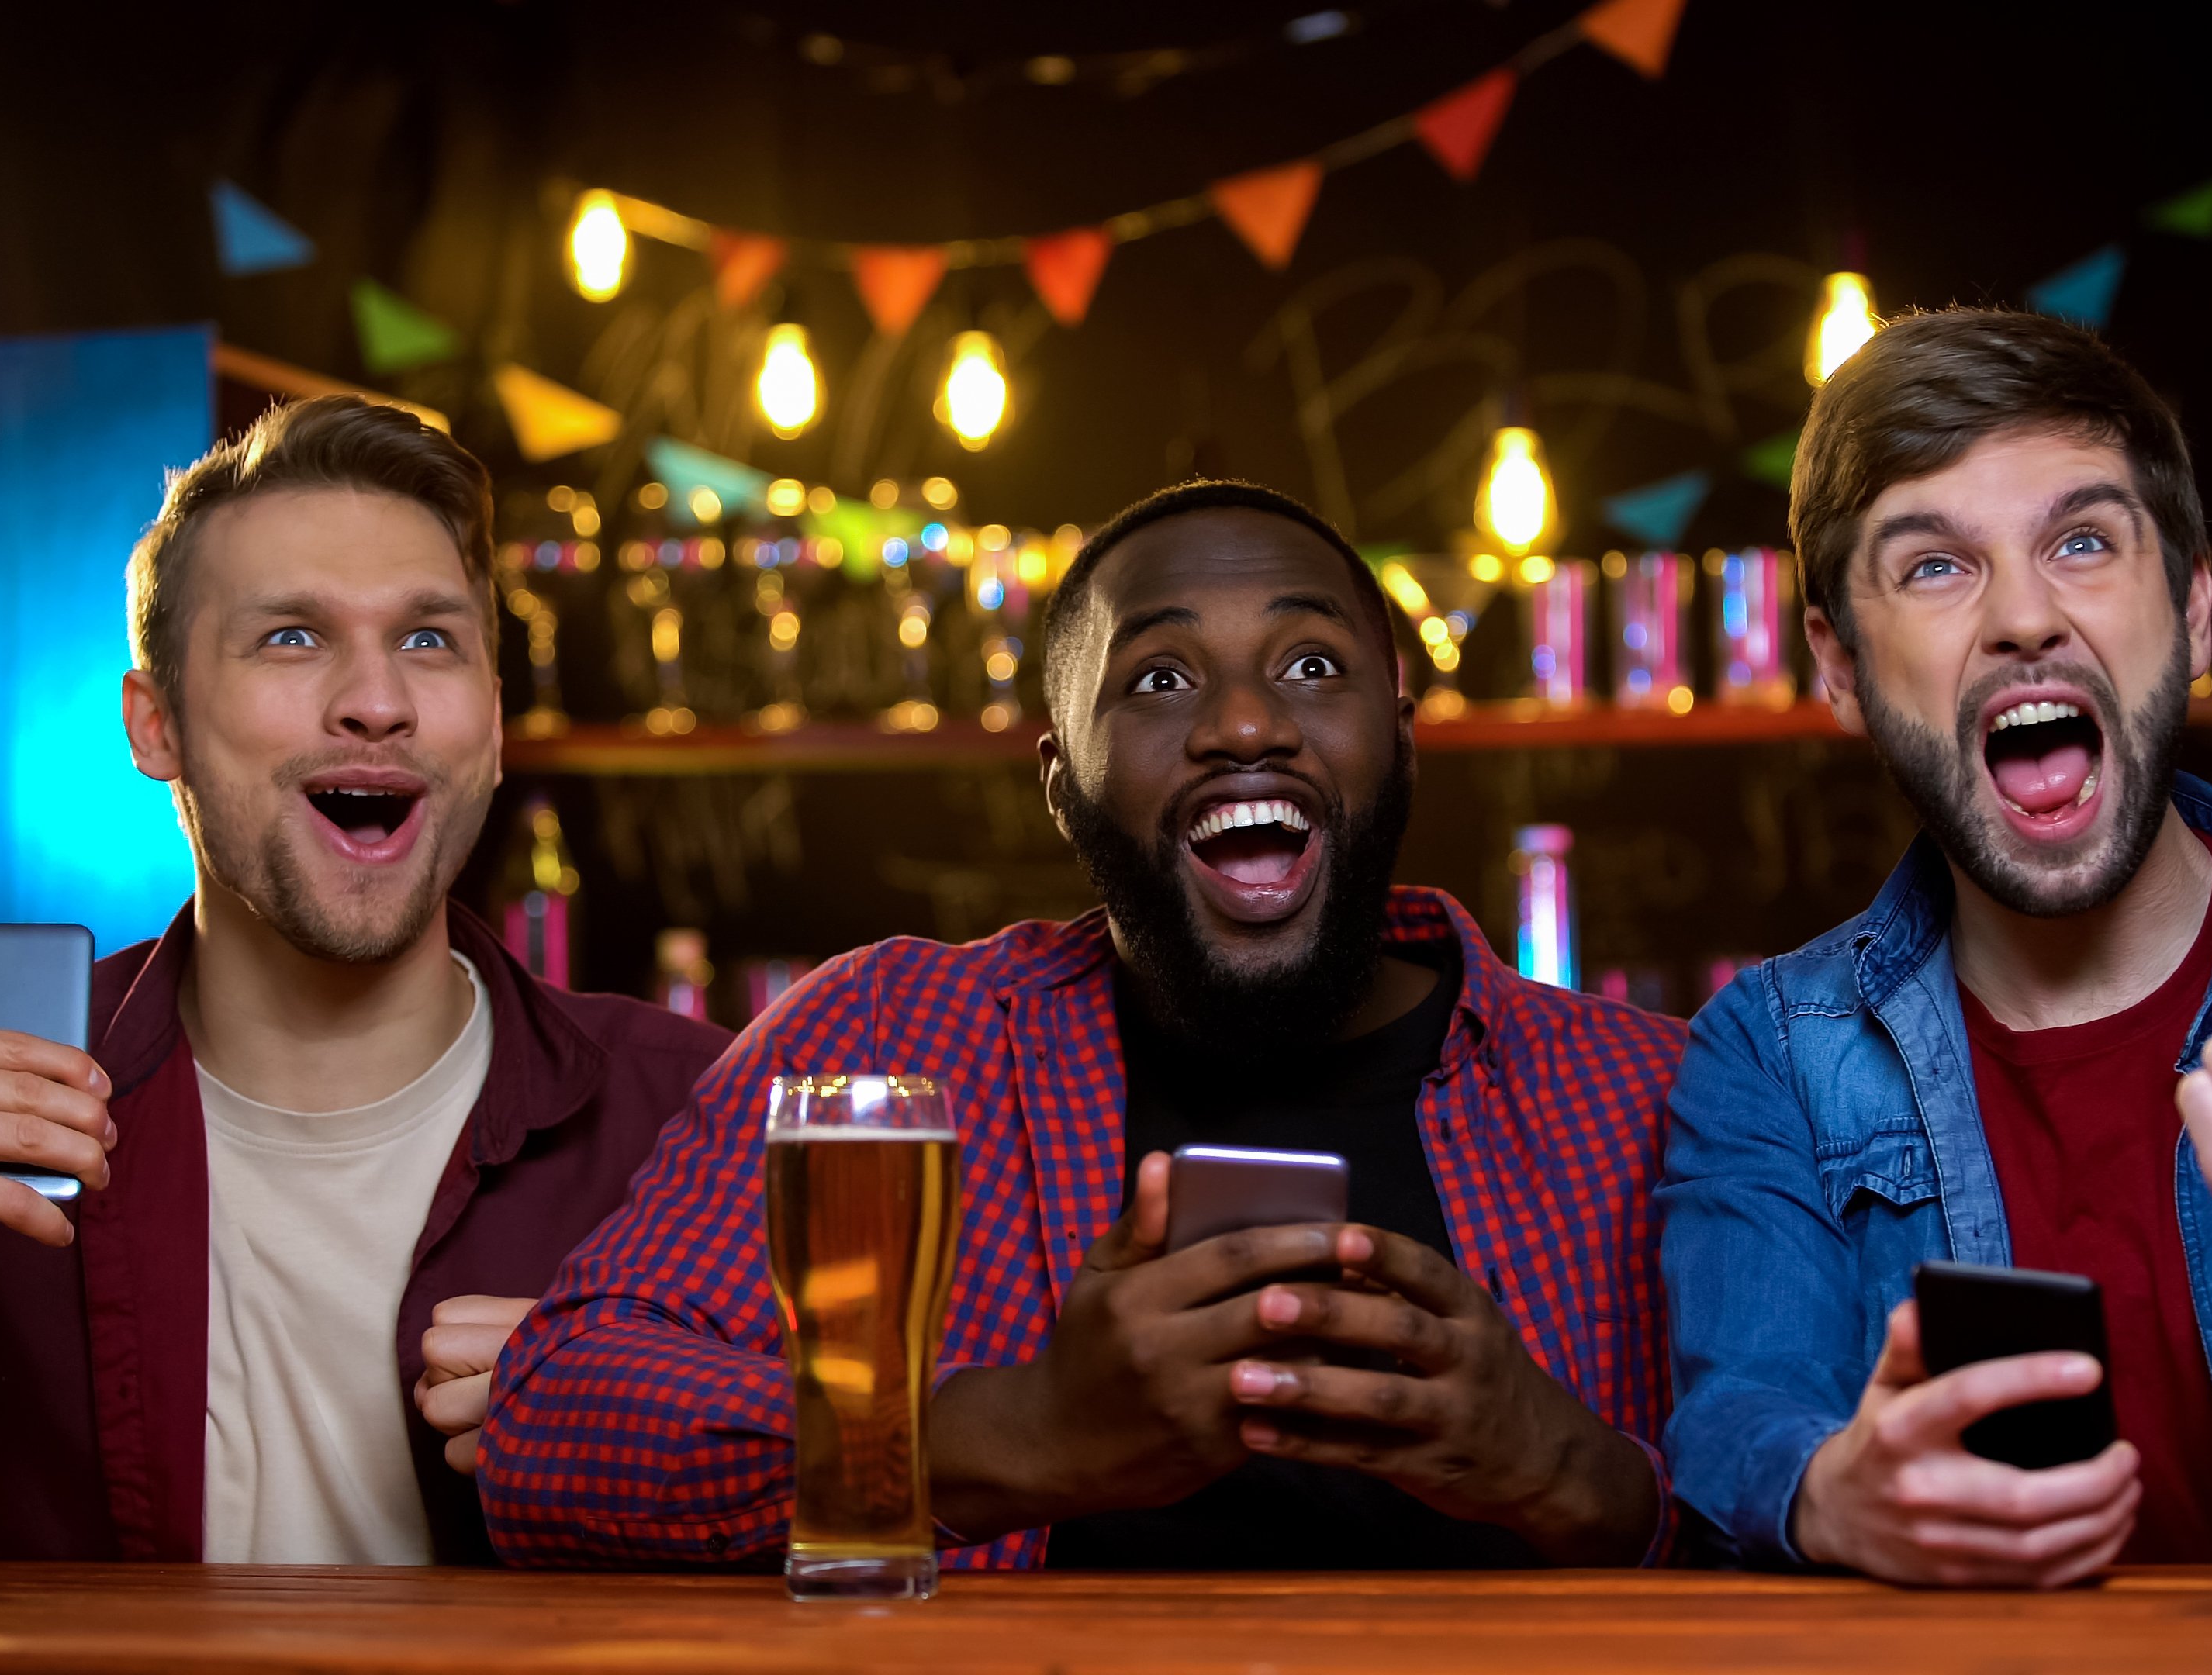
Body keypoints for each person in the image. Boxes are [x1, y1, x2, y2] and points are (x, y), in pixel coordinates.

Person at [482, 480, 1688, 1570]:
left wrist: (1568, 1471)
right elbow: (554, 1423)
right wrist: (1022, 1434)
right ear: (1062, 785)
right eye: (1160, 680)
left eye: (1311, 664)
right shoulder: (888, 1040)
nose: (1245, 725)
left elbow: (1822, 1513)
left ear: (1406, 741)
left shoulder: (1649, 1094)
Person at [0, 395, 729, 1564]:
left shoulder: (698, 1116)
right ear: (158, 727)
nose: (377, 700)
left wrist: (693, 1426)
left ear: (491, 726)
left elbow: (924, 1504)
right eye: (291, 636)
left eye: (430, 639)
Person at [1657, 309, 2212, 1585]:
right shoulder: (1767, 1062)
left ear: (2191, 616)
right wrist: (1829, 1497)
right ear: (1842, 669)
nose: (2026, 617)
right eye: (1935, 567)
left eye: (2083, 542)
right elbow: (1734, 1428)